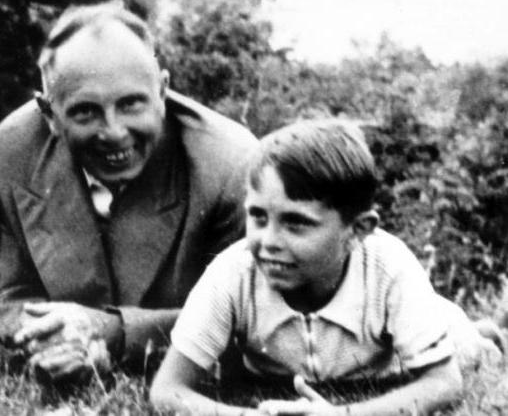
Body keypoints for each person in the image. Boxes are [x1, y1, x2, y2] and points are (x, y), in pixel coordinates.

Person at [0, 1, 258, 379]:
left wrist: (111, 335)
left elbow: (246, 317)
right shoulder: (10, 152)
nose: (113, 132)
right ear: (49, 114)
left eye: (131, 104)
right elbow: (13, 294)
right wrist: (52, 337)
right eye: (85, 111)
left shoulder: (231, 165)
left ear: (162, 91)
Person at [150, 121, 465, 415]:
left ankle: (479, 330)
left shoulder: (389, 267)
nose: (269, 241)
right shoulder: (234, 271)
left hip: (408, 343)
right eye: (258, 216)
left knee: (466, 344)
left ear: (357, 230)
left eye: (296, 222)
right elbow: (167, 390)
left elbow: (444, 382)